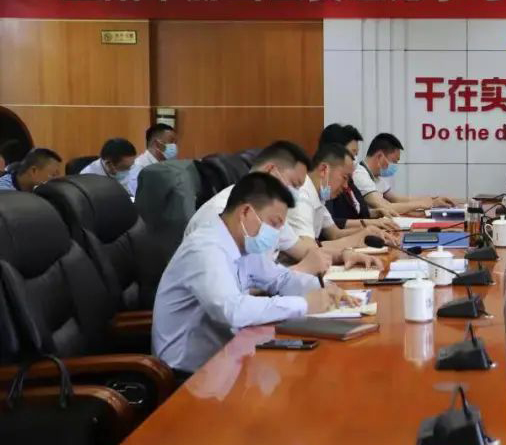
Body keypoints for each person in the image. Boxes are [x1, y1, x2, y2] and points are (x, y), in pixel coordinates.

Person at [153, 172, 358, 376]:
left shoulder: (243, 242)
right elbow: (232, 310)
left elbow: (280, 279)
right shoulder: (205, 248)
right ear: (245, 212)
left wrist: (323, 288)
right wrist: (304, 304)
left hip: (228, 357)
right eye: (274, 223)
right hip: (187, 373)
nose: (276, 234)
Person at [184, 140, 375, 276]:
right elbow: (234, 295)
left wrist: (343, 255)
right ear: (270, 171)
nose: (296, 194)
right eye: (294, 184)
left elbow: (304, 250)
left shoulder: (271, 214)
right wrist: (300, 270)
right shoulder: (220, 213)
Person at [289, 143, 399, 263]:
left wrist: (367, 232)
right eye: (344, 177)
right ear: (324, 170)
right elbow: (310, 251)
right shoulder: (301, 197)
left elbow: (334, 233)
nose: (346, 186)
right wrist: (355, 240)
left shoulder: (318, 195)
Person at [318, 124, 396, 231]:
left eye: (356, 154)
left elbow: (359, 211)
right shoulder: (327, 182)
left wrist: (375, 213)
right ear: (336, 151)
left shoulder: (348, 178)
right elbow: (330, 223)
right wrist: (368, 223)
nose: (354, 159)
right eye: (352, 153)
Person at [355, 132, 455, 215]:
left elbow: (396, 199)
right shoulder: (360, 175)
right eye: (394, 161)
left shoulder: (376, 177)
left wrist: (434, 199)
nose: (395, 166)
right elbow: (386, 207)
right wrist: (425, 204)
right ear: (380, 156)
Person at [129, 123, 178, 196]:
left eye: (175, 143)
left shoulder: (167, 165)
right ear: (157, 144)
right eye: (171, 142)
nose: (174, 146)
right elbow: (141, 197)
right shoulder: (140, 167)